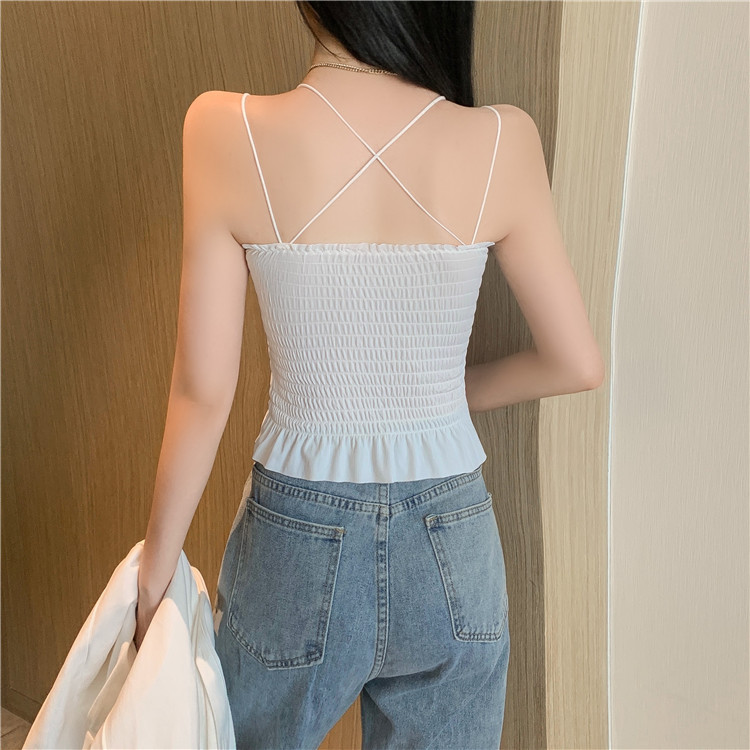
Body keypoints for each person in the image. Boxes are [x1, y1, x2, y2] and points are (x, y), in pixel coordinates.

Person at [136, 2, 605, 748]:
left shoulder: (225, 128)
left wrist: (152, 577)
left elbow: (204, 390)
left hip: (298, 534)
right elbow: (577, 363)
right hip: (453, 535)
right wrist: (441, 398)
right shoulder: (502, 138)